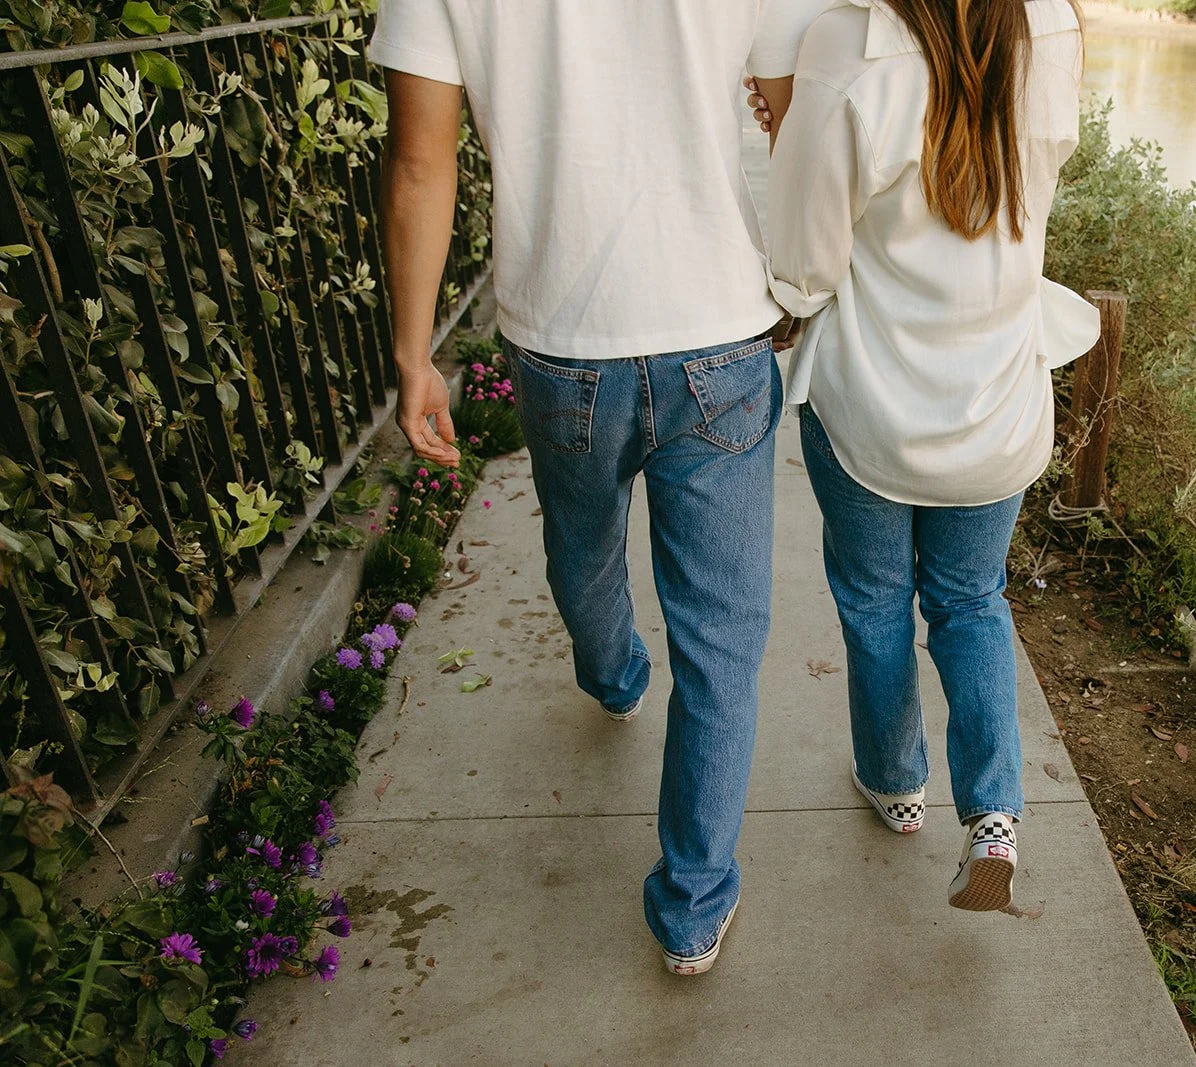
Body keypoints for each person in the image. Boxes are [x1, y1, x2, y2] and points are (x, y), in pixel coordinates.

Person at [369, 0, 817, 975]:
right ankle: (693, 907)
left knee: (580, 541)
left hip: (560, 339)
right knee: (723, 637)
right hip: (718, 328)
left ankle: (613, 674)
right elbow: (793, 126)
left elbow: (419, 158)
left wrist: (414, 354)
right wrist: (804, 280)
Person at [760, 0, 1097, 911]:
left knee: (874, 600)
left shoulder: (848, 44)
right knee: (969, 600)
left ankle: (897, 784)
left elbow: (805, 259)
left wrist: (794, 125)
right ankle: (993, 816)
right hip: (997, 399)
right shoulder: (1052, 27)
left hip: (872, 404)